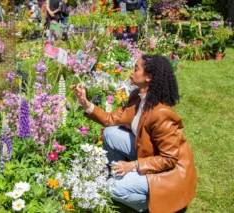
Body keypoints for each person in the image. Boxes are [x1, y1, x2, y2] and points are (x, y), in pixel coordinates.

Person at [70, 54, 197, 213]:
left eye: (136, 69)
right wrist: (85, 103)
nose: (131, 71)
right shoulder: (138, 97)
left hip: (170, 173)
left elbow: (169, 159)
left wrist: (132, 165)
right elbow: (111, 119)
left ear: (148, 77)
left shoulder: (161, 113)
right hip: (149, 154)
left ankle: (152, 204)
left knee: (111, 188)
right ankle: (120, 176)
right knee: (110, 133)